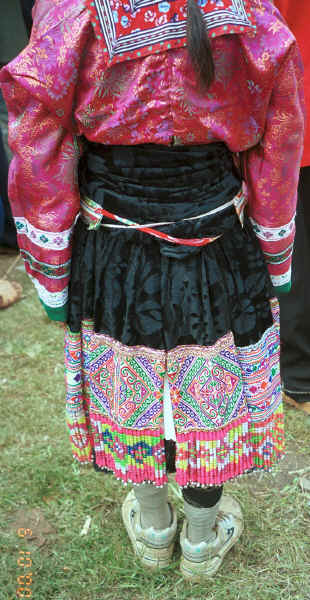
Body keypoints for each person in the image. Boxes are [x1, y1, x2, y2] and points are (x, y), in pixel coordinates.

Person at [0, 0, 304, 581]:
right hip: (216, 234)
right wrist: (274, 248)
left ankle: (155, 524)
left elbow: (40, 141)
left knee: (130, 380)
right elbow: (279, 135)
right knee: (207, 387)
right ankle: (200, 535)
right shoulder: (249, 15)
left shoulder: (74, 13)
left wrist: (51, 267)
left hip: (113, 247)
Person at [273, 0, 310, 415]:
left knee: (295, 254)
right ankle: (299, 376)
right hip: (293, 109)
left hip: (292, 111)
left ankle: (299, 375)